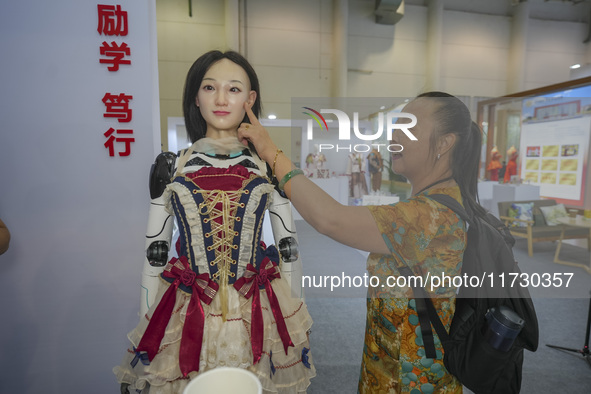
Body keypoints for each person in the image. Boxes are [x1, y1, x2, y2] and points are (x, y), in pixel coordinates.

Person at [239, 91, 487, 393]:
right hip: (395, 364)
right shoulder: (437, 203)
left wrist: (269, 150)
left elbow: (331, 219)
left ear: (445, 143)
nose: (395, 135)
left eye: (409, 128)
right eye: (396, 125)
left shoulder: (429, 214)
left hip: (411, 379)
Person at [114, 50, 315, 393]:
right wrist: (150, 327)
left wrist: (297, 321)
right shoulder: (171, 166)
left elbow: (288, 249)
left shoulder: (269, 166)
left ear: (250, 99)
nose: (221, 99)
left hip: (258, 305)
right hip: (186, 306)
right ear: (196, 95)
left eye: (234, 89)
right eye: (210, 88)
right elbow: (155, 254)